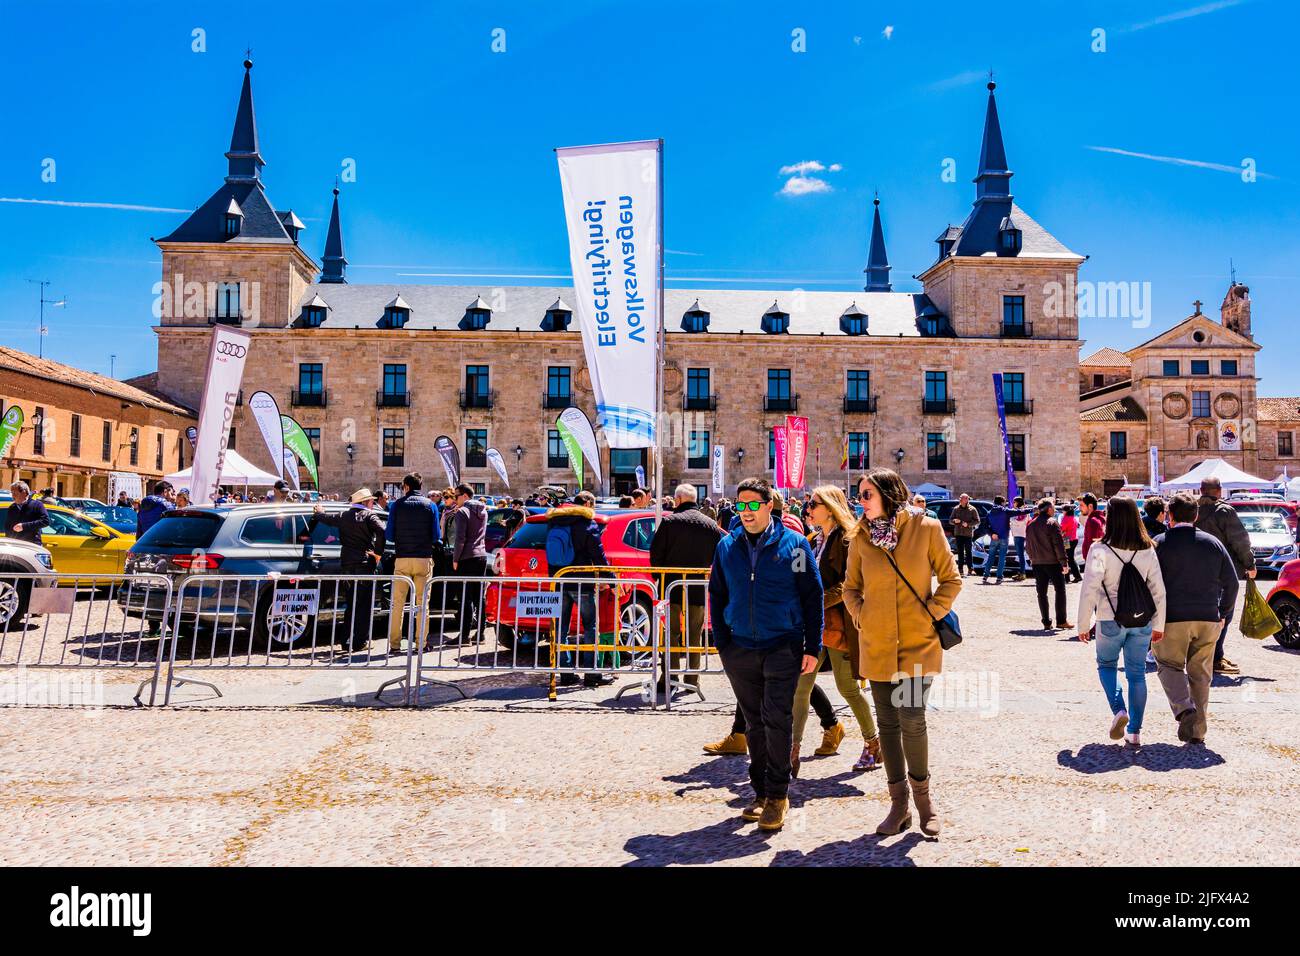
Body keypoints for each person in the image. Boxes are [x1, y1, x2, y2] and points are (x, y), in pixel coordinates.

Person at [843, 468, 961, 838]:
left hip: (916, 646)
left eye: (866, 495)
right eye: (859, 495)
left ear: (888, 494)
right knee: (888, 726)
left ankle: (925, 802)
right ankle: (898, 805)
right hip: (877, 646)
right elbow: (850, 588)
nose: (859, 502)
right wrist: (862, 616)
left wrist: (931, 614)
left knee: (912, 719)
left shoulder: (926, 528)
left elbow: (951, 579)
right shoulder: (860, 538)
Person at [708, 477, 822, 832]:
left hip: (782, 644)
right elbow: (717, 593)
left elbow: (812, 596)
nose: (746, 512)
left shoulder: (796, 546)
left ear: (769, 506)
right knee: (754, 722)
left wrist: (812, 646)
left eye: (753, 505)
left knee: (777, 718)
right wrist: (723, 642)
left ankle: (778, 794)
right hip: (740, 647)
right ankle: (759, 792)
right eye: (740, 505)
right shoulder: (727, 546)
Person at [792, 485, 882, 774]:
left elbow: (850, 584)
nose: (808, 509)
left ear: (829, 507)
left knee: (848, 688)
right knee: (800, 688)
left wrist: (815, 601)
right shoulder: (812, 539)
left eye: (814, 504)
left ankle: (873, 742)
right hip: (813, 627)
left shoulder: (846, 540)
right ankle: (791, 751)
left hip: (839, 625)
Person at [1077, 496, 1166, 749]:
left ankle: (1119, 710)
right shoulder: (1148, 549)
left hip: (1109, 619)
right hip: (1142, 621)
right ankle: (1135, 732)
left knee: (1106, 665)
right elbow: (1158, 590)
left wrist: (1083, 625)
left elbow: (1089, 590)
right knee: (1137, 674)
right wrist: (1159, 624)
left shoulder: (1100, 550)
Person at [1153, 493, 1240, 745]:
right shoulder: (1212, 543)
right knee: (1201, 675)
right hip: (1207, 617)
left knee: (1168, 664)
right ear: (1196, 516)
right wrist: (1223, 613)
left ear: (1170, 516)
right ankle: (1197, 731)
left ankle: (1184, 709)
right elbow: (1232, 583)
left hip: (1171, 618)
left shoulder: (1159, 543)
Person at [649, 484, 724, 696]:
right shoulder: (710, 525)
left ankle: (670, 677)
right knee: (695, 634)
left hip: (670, 585)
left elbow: (656, 554)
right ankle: (692, 679)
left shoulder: (669, 522)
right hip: (697, 586)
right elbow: (717, 555)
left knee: (670, 634)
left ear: (678, 499)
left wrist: (659, 577)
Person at [543, 491, 615, 689]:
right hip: (582, 583)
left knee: (560, 628)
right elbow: (599, 557)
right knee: (590, 626)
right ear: (587, 504)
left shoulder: (555, 522)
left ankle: (566, 673)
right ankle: (591, 674)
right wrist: (613, 581)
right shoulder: (587, 524)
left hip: (558, 582)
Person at [1194, 476, 1254, 675]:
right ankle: (1215, 657)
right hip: (1222, 571)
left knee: (1203, 615)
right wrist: (1250, 564)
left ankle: (1209, 654)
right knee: (1223, 615)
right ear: (1219, 491)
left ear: (1201, 490)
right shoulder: (1224, 511)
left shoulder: (1193, 509)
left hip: (1196, 572)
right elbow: (1240, 541)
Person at [312, 490, 386, 651]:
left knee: (351, 602)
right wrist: (378, 553)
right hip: (364, 563)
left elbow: (325, 518)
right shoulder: (369, 516)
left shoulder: (344, 515)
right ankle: (360, 641)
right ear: (366, 502)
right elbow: (382, 531)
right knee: (364, 604)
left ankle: (346, 641)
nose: (373, 503)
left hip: (347, 563)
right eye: (371, 501)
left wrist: (319, 511)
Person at [387, 473, 440, 653]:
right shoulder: (431, 505)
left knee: (397, 603)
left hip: (402, 558)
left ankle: (394, 645)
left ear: (406, 486)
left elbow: (389, 535)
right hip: (423, 558)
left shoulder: (397, 505)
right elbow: (436, 536)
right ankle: (421, 643)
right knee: (422, 603)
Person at [449, 483, 489, 644]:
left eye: (456, 496)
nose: (454, 500)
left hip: (466, 557)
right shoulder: (483, 511)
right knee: (480, 597)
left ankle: (464, 635)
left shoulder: (462, 512)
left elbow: (460, 538)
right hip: (481, 555)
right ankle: (480, 633)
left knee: (465, 598)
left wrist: (455, 559)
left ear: (465, 496)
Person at [1026, 498, 1072, 631]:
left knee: (1041, 593)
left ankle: (1046, 621)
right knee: (1060, 590)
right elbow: (1059, 545)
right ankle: (1061, 620)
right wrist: (1064, 562)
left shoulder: (1031, 523)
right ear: (1049, 509)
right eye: (1053, 507)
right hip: (1053, 562)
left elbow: (1027, 545)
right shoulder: (1052, 523)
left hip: (1037, 563)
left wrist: (1032, 558)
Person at [982, 495, 1012, 584]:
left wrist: (991, 534)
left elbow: (985, 527)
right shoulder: (1005, 511)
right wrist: (1031, 509)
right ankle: (999, 577)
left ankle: (985, 576)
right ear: (1002, 502)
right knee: (1002, 558)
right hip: (1004, 537)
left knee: (990, 557)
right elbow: (1018, 511)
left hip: (994, 538)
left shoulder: (989, 512)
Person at [950, 493, 979, 576]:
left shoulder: (972, 509)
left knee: (969, 552)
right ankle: (960, 569)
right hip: (958, 533)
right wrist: (954, 521)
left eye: (966, 498)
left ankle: (971, 569)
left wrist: (968, 524)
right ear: (960, 499)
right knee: (960, 552)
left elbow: (977, 521)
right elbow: (950, 520)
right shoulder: (956, 509)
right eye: (963, 498)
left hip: (968, 534)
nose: (965, 500)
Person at [1060, 504, 1083, 583]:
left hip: (1067, 540)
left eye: (1063, 510)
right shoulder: (1073, 518)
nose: (1062, 511)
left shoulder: (1065, 518)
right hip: (1074, 539)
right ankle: (1071, 577)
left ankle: (1072, 577)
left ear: (1066, 511)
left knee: (1068, 559)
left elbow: (1062, 529)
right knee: (1070, 559)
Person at [1009, 496, 1029, 581]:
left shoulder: (1022, 511)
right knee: (1020, 555)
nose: (1013, 504)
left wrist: (1011, 519)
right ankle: (1021, 572)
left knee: (1021, 555)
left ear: (1018, 503)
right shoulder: (1019, 511)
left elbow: (1019, 521)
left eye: (1014, 502)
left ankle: (1022, 573)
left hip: (1020, 534)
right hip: (1017, 534)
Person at [1079, 493, 1105, 560]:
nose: (1079, 508)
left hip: (1092, 562)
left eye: (1082, 505)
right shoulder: (1100, 518)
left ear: (1090, 506)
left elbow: (1093, 546)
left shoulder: (1093, 521)